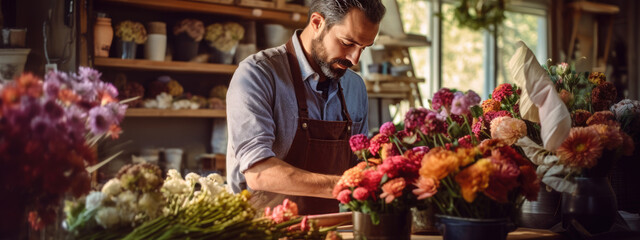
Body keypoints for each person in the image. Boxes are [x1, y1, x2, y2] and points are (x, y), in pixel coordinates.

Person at [226, 0, 386, 215]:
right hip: (264, 230)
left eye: (363, 48)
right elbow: (258, 172)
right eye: (347, 43)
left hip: (334, 229)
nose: (354, 59)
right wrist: (345, 186)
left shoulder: (354, 86)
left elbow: (358, 163)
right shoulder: (257, 74)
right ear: (318, 22)